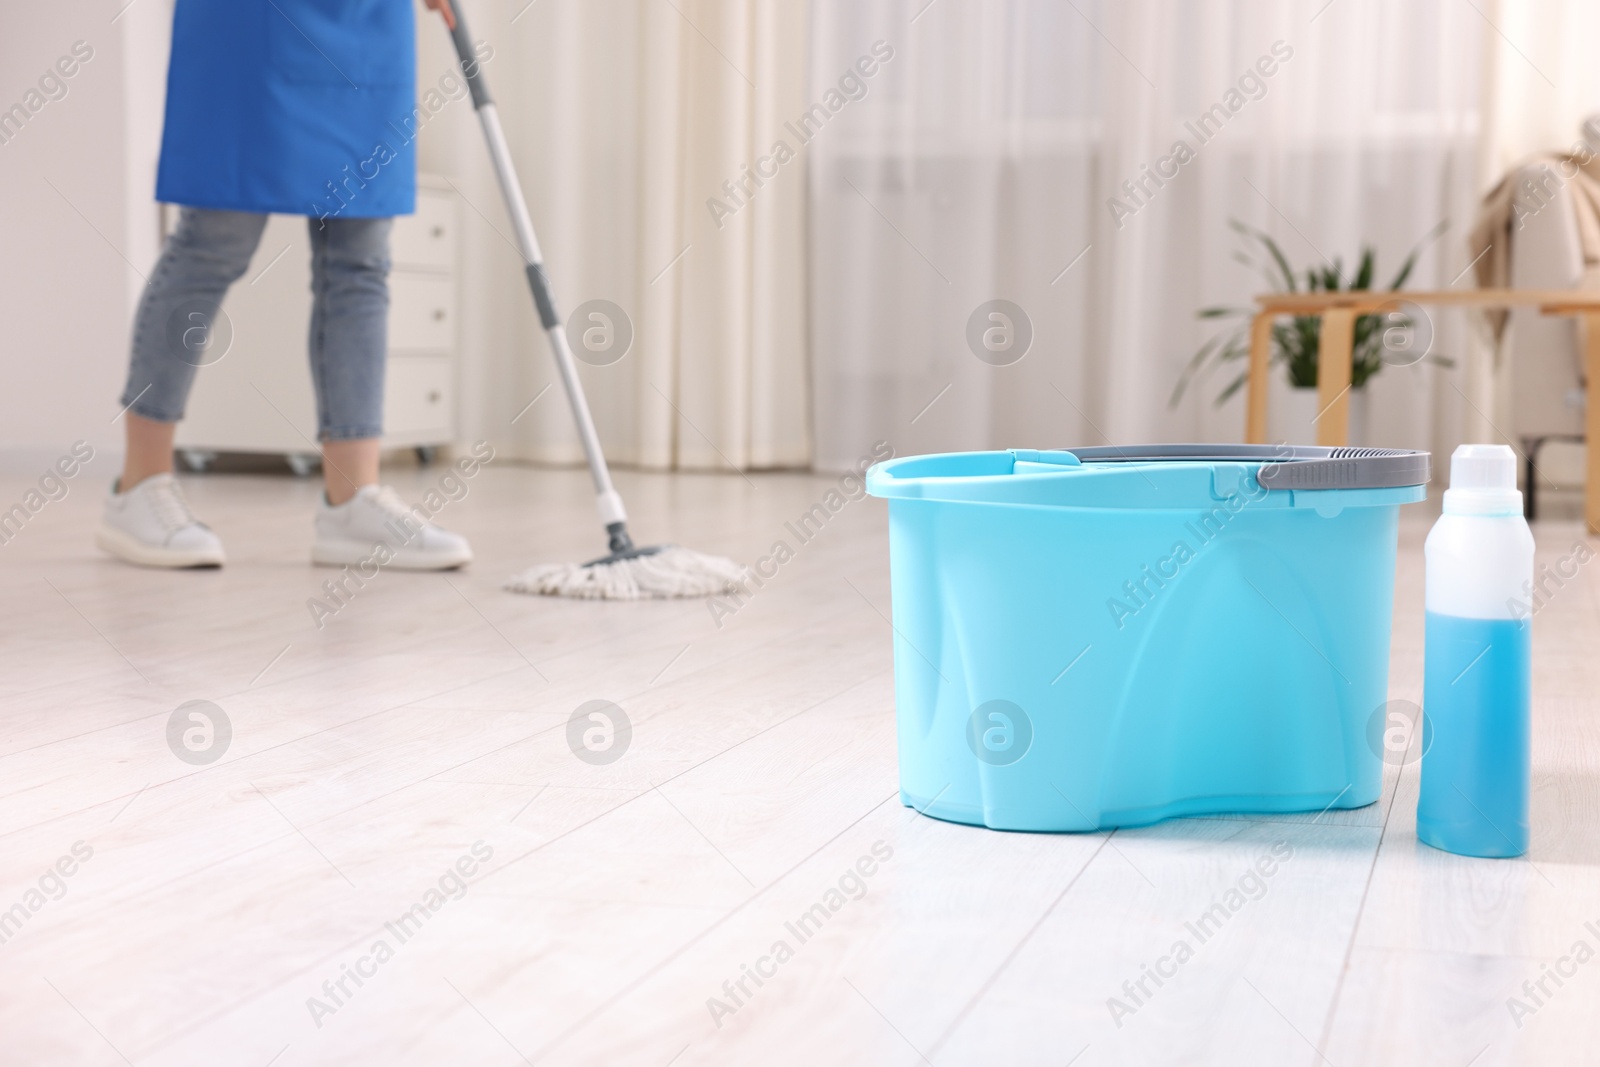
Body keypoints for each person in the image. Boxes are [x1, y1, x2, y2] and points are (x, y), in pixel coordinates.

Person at [98, 0, 470, 571]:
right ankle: (138, 484)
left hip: (367, 21)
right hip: (250, 19)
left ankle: (353, 500)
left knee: (360, 258)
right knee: (214, 239)